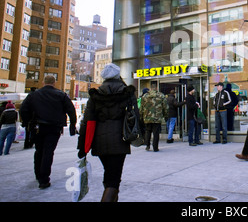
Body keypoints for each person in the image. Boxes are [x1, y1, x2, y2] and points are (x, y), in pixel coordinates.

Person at [77, 63, 138, 202]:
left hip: (99, 140)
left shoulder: (96, 95)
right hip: (119, 139)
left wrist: (82, 146)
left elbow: (87, 121)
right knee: (114, 179)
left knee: (109, 174)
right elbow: (135, 116)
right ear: (118, 75)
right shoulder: (127, 93)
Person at [20, 75, 77, 189]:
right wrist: (72, 125)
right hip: (54, 127)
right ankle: (44, 178)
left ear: (43, 82)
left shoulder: (33, 95)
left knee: (39, 150)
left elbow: (23, 109)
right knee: (48, 151)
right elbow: (71, 110)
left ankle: (38, 174)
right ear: (54, 83)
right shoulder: (61, 95)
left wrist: (26, 122)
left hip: (37, 127)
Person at [139, 84, 168, 152]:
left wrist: (141, 116)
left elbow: (141, 108)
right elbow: (165, 107)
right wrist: (165, 115)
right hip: (157, 118)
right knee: (156, 133)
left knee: (148, 131)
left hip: (147, 117)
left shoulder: (145, 96)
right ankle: (155, 147)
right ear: (156, 88)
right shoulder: (161, 95)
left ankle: (147, 145)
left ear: (150, 88)